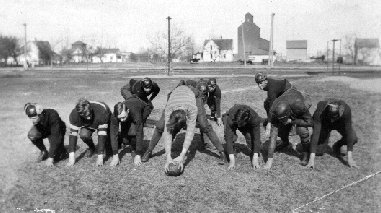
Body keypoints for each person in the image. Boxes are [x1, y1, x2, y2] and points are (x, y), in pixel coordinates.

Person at [142, 85, 226, 168]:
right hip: (175, 96)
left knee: (204, 125)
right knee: (160, 126)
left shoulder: (192, 109)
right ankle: (149, 151)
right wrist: (168, 157)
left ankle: (221, 151)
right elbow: (167, 132)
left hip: (193, 96)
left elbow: (190, 133)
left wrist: (182, 156)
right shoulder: (169, 109)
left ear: (186, 117)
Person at [263, 87, 312, 170]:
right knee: (279, 128)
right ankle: (285, 142)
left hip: (302, 98)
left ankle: (306, 153)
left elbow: (310, 122)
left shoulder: (300, 106)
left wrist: (293, 121)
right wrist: (269, 160)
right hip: (289, 100)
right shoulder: (274, 108)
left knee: (302, 130)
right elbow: (273, 136)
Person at [304, 99, 359, 169]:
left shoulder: (346, 110)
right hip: (325, 125)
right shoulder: (320, 111)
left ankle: (337, 146)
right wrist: (311, 160)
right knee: (319, 152)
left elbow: (349, 131)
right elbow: (316, 134)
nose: (333, 119)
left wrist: (350, 158)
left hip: (339, 124)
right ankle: (305, 147)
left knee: (353, 138)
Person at [67, 98, 111, 167]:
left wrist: (100, 157)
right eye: (85, 116)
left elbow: (102, 135)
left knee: (108, 143)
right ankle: (92, 147)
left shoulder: (101, 111)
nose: (88, 118)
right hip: (89, 124)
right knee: (84, 134)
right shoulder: (74, 115)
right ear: (80, 114)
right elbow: (72, 136)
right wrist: (71, 158)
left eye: (89, 114)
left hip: (102, 116)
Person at [109, 97, 149, 167]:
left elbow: (139, 132)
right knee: (125, 140)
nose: (121, 120)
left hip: (143, 107)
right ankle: (124, 140)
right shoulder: (114, 116)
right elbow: (113, 133)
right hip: (130, 105)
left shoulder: (136, 113)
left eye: (123, 117)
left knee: (133, 131)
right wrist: (115, 155)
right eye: (120, 118)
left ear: (127, 111)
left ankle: (134, 149)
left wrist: (138, 154)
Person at [223, 104, 261, 170]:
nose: (238, 126)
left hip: (245, 122)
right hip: (231, 118)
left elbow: (256, 138)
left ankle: (254, 152)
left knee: (250, 137)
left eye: (240, 124)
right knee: (231, 137)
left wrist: (255, 157)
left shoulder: (255, 119)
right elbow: (229, 138)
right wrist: (232, 161)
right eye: (238, 124)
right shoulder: (231, 118)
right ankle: (231, 152)